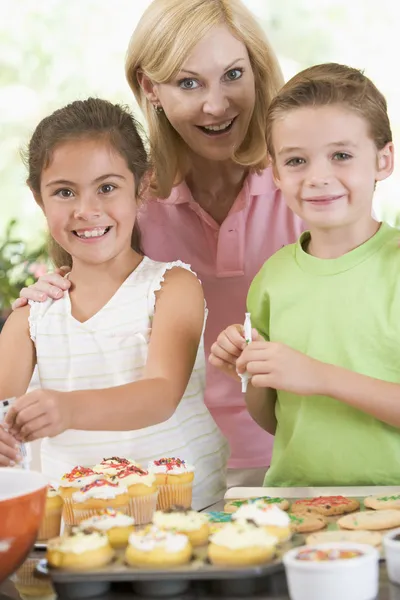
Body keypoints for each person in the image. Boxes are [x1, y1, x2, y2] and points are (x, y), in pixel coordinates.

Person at [12, 0, 303, 488]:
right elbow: (80, 302)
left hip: (294, 452)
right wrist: (40, 299)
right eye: (189, 82)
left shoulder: (301, 184)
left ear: (257, 72)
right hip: (164, 467)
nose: (216, 104)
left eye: (233, 74)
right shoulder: (126, 203)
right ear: (152, 88)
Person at [0, 97, 228, 509]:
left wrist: (66, 409)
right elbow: (3, 410)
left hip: (182, 518)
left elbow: (160, 395)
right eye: (64, 192)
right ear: (39, 199)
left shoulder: (171, 286)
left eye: (107, 188)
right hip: (72, 528)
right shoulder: (30, 318)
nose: (86, 210)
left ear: (141, 187)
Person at [210, 63, 400, 486]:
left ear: (383, 159)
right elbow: (278, 422)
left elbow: (311, 378)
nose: (318, 177)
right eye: (297, 160)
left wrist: (320, 376)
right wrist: (249, 371)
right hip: (295, 503)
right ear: (276, 173)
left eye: (342, 156)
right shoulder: (273, 279)